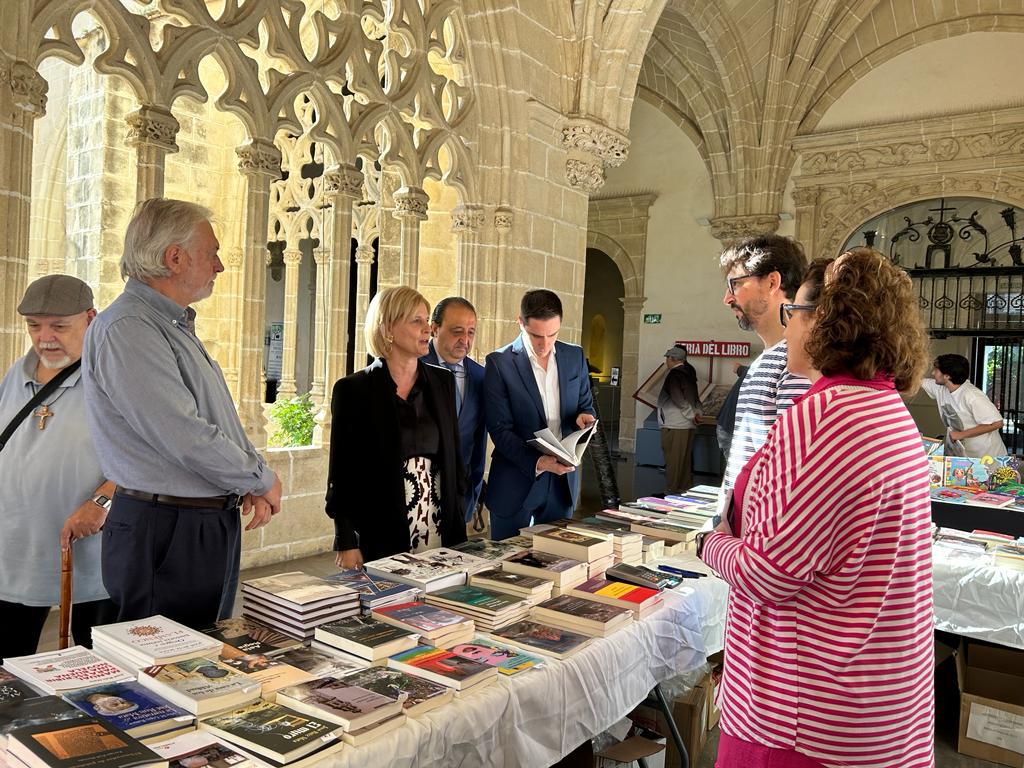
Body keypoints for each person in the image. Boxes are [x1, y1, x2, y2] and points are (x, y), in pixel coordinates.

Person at [697, 249, 935, 768]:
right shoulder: (886, 406)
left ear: (824, 321)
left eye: (794, 313)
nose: (789, 328)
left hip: (805, 708)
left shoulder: (823, 417)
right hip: (876, 697)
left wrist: (710, 543)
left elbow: (772, 573)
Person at [81, 198, 282, 630]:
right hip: (168, 529)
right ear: (175, 258)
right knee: (164, 671)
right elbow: (183, 434)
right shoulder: (129, 328)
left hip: (194, 523)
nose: (220, 265)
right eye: (211, 252)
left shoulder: (168, 326)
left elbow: (214, 420)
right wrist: (261, 479)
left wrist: (245, 478)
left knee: (201, 660)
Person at [0, 276, 118, 660]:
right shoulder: (16, 374)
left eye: (59, 326)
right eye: (34, 325)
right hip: (14, 552)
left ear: (91, 318)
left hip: (86, 554)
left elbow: (149, 453)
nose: (45, 337)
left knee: (92, 665)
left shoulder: (113, 376)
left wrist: (101, 503)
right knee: (7, 671)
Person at [327, 286, 466, 568]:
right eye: (416, 321)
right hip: (381, 531)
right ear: (388, 327)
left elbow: (454, 458)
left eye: (427, 320)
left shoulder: (442, 383)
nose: (427, 329)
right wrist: (346, 540)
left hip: (440, 529)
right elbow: (342, 473)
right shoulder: (353, 390)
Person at [484, 289, 596, 540]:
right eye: (535, 335)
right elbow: (500, 430)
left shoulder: (574, 356)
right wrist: (538, 462)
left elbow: (586, 404)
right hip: (515, 481)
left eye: (552, 335)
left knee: (559, 565)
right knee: (505, 567)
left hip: (562, 485)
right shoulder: (499, 363)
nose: (544, 344)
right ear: (520, 323)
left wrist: (585, 417)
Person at [719, 234, 809, 510]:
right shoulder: (768, 358)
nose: (727, 298)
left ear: (772, 282)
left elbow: (792, 471)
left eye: (734, 284)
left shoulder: (797, 361)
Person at [420, 297, 487, 528]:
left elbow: (478, 441)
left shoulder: (481, 377)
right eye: (457, 331)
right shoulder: (412, 367)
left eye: (471, 332)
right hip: (415, 496)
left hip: (459, 497)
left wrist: (472, 493)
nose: (465, 340)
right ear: (435, 329)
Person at [921, 353, 1006, 457]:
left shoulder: (972, 395)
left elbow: (997, 423)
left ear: (947, 376)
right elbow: (916, 381)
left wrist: (961, 435)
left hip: (988, 457)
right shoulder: (940, 388)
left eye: (936, 370)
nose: (933, 373)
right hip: (966, 456)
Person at [657, 344, 700, 493]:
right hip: (687, 424)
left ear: (673, 359)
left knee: (673, 459)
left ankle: (672, 490)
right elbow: (695, 397)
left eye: (667, 358)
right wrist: (696, 414)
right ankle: (684, 488)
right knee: (684, 459)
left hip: (675, 424)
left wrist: (691, 414)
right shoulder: (689, 372)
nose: (666, 362)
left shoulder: (674, 375)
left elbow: (678, 398)